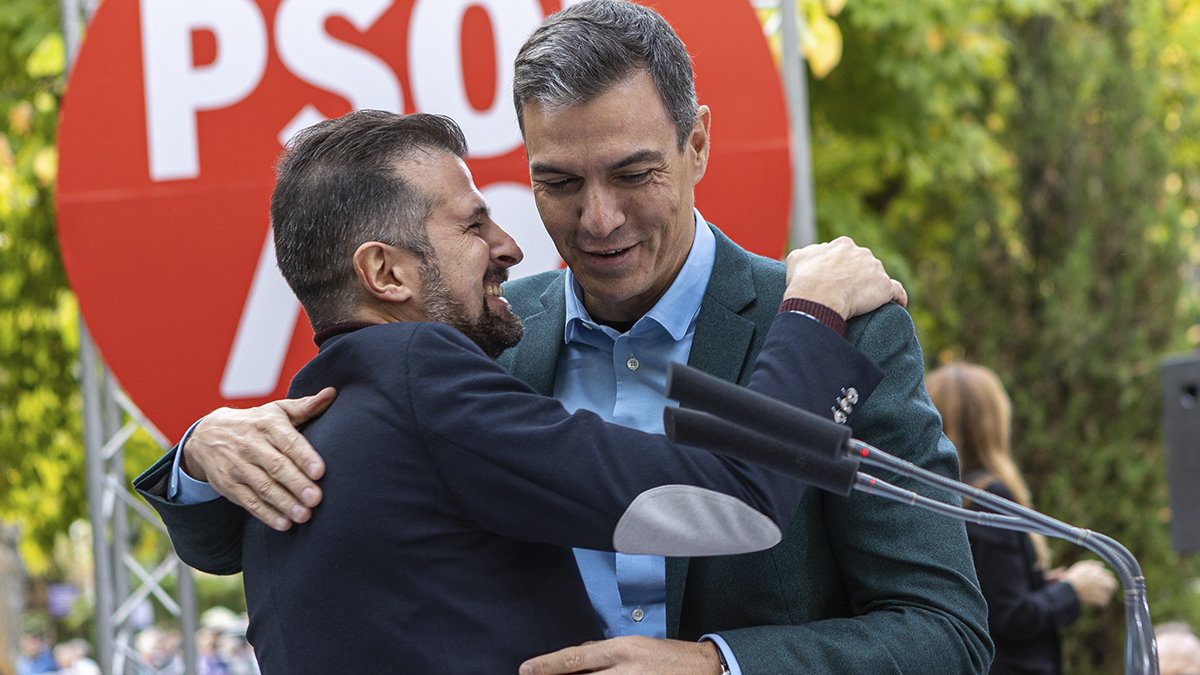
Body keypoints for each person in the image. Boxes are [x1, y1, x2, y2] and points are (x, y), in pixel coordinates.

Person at [137, 1, 991, 672]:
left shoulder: (837, 327)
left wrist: (719, 663)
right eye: (556, 181)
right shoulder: (474, 337)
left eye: (633, 173)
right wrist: (204, 450)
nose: (597, 218)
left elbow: (946, 633)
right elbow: (277, 518)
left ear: (696, 143)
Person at [927, 362, 1117, 674]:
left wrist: (1040, 583)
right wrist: (1072, 591)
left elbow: (984, 589)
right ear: (992, 421)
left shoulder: (939, 496)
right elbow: (1006, 615)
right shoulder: (988, 497)